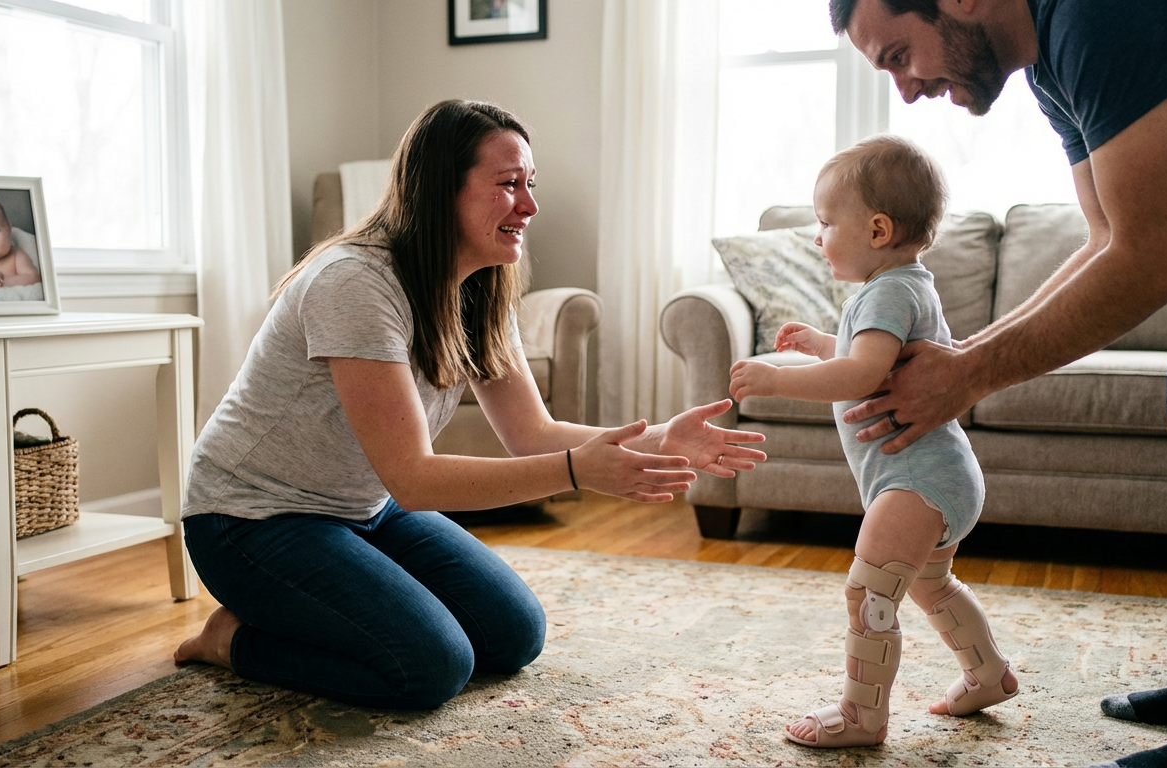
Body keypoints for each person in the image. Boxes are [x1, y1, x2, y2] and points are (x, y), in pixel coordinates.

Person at [172, 99, 767, 710]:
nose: (530, 207)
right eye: (509, 185)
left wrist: (660, 436)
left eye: (530, 185)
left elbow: (532, 432)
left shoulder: (480, 287)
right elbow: (414, 478)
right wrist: (573, 473)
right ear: (439, 192)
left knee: (513, 635)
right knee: (430, 667)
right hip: (250, 519)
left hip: (365, 509)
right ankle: (233, 640)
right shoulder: (354, 283)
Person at [827, 0, 1167, 765]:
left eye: (900, 55)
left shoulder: (1094, 14)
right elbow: (1106, 237)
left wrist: (966, 375)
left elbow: (1161, 255)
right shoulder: (1048, 66)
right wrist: (965, 356)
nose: (905, 90)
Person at [729, 135, 1017, 748]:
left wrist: (779, 379)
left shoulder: (889, 290)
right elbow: (871, 359)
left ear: (878, 229)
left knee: (869, 591)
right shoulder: (900, 286)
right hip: (934, 477)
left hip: (916, 481)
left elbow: (861, 376)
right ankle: (987, 672)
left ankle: (863, 716)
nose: (817, 236)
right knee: (930, 583)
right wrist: (819, 343)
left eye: (827, 222)